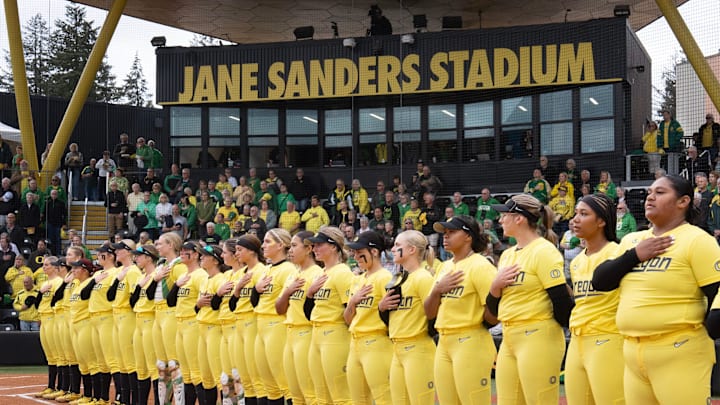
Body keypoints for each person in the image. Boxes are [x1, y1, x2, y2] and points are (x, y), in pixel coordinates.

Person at [592, 175, 720, 403]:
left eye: (660, 193)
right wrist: (635, 255)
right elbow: (601, 281)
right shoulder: (633, 240)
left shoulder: (697, 240)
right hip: (632, 353)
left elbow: (716, 294)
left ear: (683, 202)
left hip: (679, 350)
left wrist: (709, 328)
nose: (650, 197)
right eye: (650, 192)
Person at [487, 194, 573, 404]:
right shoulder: (508, 255)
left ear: (519, 218)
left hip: (537, 336)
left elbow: (562, 302)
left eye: (505, 215)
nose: (500, 220)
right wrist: (495, 286)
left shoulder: (544, 251)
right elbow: (494, 308)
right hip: (509, 337)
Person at [424, 216, 497, 405]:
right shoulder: (445, 266)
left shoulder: (480, 266)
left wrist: (475, 326)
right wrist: (438, 290)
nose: (445, 237)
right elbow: (430, 313)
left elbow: (494, 311)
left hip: (470, 340)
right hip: (444, 341)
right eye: (445, 233)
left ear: (468, 237)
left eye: (452, 232)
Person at [564, 193, 624, 404]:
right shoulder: (577, 261)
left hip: (608, 339)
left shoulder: (618, 253)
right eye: (575, 214)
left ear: (601, 221)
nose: (575, 220)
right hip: (577, 341)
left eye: (583, 214)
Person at [377, 229, 436, 405]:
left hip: (418, 348)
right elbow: (393, 319)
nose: (393, 249)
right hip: (398, 349)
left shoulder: (423, 277)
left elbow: (434, 315)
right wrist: (382, 308)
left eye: (397, 245)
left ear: (411, 250)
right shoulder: (398, 279)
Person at [305, 226, 354, 405]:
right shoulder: (322, 274)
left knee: (341, 395)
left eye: (319, 245)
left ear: (333, 246)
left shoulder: (342, 272)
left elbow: (351, 311)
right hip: (317, 335)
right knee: (321, 397)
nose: (315, 249)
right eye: (314, 245)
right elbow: (308, 311)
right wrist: (310, 293)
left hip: (335, 335)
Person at [344, 232, 393, 405]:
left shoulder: (385, 278)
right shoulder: (358, 280)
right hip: (355, 343)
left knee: (384, 398)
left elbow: (391, 318)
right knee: (358, 400)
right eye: (354, 252)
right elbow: (348, 319)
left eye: (359, 251)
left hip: (377, 343)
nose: (356, 256)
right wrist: (353, 302)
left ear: (374, 252)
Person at [275, 230, 324, 405]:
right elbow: (279, 309)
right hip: (289, 334)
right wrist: (288, 291)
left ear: (309, 248)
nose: (290, 250)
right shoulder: (292, 275)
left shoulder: (317, 274)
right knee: (294, 394)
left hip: (306, 334)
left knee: (310, 394)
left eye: (295, 246)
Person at [254, 228, 296, 404]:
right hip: (261, 326)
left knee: (284, 383)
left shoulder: (288, 269)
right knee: (268, 384)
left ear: (281, 245)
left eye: (268, 242)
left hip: (276, 326)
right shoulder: (267, 269)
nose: (263, 245)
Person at [165, 241, 207, 405]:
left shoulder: (200, 275)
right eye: (181, 250)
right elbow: (170, 301)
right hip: (180, 324)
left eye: (186, 251)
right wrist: (176, 285)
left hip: (192, 324)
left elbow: (205, 301)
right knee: (186, 373)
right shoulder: (183, 276)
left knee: (196, 372)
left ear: (196, 254)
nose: (182, 253)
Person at [151, 233, 188, 405]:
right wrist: (156, 278)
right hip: (158, 314)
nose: (157, 247)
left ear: (171, 244)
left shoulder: (179, 266)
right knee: (161, 365)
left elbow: (180, 294)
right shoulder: (162, 265)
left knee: (174, 364)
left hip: (170, 313)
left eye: (160, 244)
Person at [231, 234, 268, 405]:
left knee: (257, 378)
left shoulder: (262, 270)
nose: (236, 253)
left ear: (252, 251)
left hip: (252, 323)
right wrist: (238, 288)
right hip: (238, 325)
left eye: (240, 250)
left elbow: (261, 301)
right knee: (245, 379)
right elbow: (232, 304)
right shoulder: (241, 273)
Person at [106, 239, 142, 405]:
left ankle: (132, 400)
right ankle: (123, 397)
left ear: (129, 251)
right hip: (116, 316)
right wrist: (116, 280)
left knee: (129, 361)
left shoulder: (133, 271)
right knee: (120, 361)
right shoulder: (120, 271)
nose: (116, 252)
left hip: (127, 316)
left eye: (120, 249)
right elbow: (110, 296)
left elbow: (135, 298)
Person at [82, 245, 118, 405]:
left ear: (109, 256)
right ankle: (102, 397)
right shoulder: (98, 273)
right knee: (100, 361)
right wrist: (94, 281)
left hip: (107, 317)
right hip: (94, 318)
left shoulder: (116, 272)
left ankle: (118, 398)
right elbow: (84, 294)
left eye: (101, 254)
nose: (98, 256)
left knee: (112, 360)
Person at [196, 244, 231, 405]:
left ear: (215, 260)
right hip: (202, 329)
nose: (201, 257)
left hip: (214, 329)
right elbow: (199, 307)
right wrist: (198, 303)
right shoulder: (206, 279)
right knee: (206, 378)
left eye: (204, 255)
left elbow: (218, 306)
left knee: (220, 377)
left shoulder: (222, 280)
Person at [129, 244, 161, 405]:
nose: (136, 259)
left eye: (139, 256)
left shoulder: (157, 274)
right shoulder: (141, 277)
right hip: (138, 321)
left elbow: (150, 298)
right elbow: (132, 301)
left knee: (153, 367)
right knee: (140, 367)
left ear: (149, 257)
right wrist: (140, 286)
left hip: (150, 320)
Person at [33, 257, 64, 399]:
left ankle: (61, 387)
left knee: (58, 354)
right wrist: (40, 291)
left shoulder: (58, 282)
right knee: (50, 356)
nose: (44, 267)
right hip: (44, 318)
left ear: (54, 266)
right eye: (43, 265)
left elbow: (55, 301)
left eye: (47, 265)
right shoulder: (45, 282)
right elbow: (36, 303)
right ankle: (51, 386)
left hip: (53, 317)